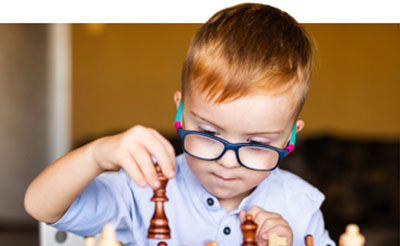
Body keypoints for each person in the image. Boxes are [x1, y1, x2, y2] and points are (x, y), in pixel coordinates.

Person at [25, 3, 335, 246]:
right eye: (208, 133)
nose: (227, 162)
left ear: (290, 137)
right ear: (181, 112)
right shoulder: (145, 188)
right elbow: (40, 206)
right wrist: (97, 155)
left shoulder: (301, 207)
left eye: (256, 144)